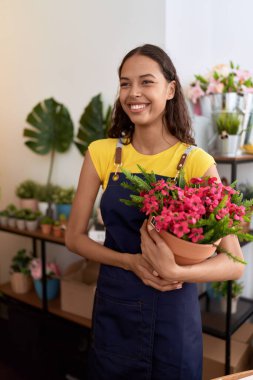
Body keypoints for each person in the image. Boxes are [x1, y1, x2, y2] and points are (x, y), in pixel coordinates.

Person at [65, 44, 244, 380]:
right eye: (124, 83)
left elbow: (233, 262)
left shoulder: (196, 162)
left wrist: (175, 271)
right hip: (115, 307)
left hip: (173, 316)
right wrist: (129, 261)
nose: (134, 93)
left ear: (170, 89)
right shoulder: (101, 153)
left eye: (146, 82)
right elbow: (73, 238)